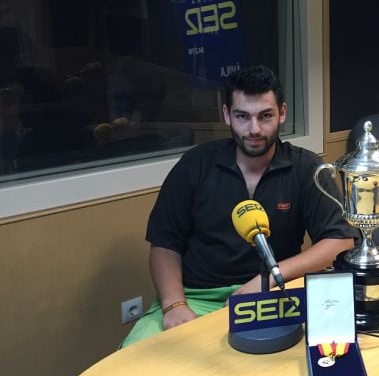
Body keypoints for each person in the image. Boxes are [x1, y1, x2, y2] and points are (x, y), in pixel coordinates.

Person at [121, 65, 355, 346]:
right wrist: (174, 306)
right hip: (196, 297)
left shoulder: (306, 167)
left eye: (265, 116)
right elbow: (164, 244)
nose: (254, 129)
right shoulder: (195, 165)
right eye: (242, 116)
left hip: (275, 292)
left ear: (282, 113)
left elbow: (340, 242)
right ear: (226, 115)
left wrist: (270, 278)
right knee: (137, 358)